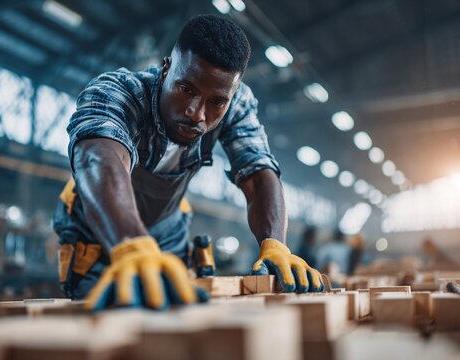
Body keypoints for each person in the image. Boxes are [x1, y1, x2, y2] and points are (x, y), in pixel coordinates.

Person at [52, 14, 324, 311]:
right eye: (187, 89)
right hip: (100, 231)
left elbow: (258, 173)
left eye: (216, 102)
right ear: (167, 68)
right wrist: (130, 243)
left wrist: (275, 244)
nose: (197, 113)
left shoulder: (237, 103)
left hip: (169, 231)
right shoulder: (118, 93)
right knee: (114, 321)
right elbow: (97, 159)